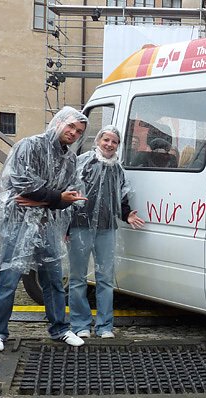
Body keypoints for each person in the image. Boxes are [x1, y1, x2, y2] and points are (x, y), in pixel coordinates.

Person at [0, 107, 89, 352]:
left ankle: (60, 328)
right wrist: (56, 197)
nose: (73, 132)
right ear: (58, 122)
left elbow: (71, 196)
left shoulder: (70, 160)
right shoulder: (29, 146)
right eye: (70, 126)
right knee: (8, 279)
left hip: (48, 225)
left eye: (79, 131)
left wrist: (46, 200)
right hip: (18, 224)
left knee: (54, 280)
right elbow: (21, 184)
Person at [68, 125, 145, 339]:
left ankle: (104, 326)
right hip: (80, 226)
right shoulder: (83, 162)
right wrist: (66, 226)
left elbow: (121, 197)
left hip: (106, 228)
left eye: (114, 142)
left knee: (105, 278)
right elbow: (69, 193)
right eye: (106, 140)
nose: (109, 144)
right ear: (98, 141)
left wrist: (127, 215)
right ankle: (80, 325)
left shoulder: (117, 169)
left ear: (118, 145)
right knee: (77, 277)